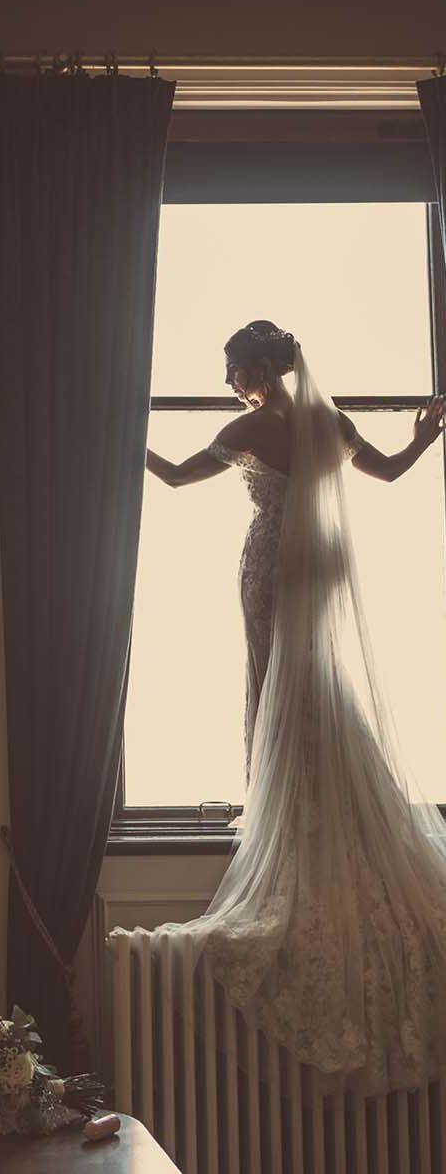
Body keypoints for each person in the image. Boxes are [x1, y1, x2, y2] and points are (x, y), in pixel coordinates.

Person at [143, 319, 446, 1093]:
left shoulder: (246, 425)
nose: (225, 383)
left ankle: (290, 807)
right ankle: (315, 803)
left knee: (278, 688)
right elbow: (387, 473)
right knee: (314, 690)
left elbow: (175, 478)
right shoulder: (328, 421)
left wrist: (119, 438)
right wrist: (424, 436)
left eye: (229, 368)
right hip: (321, 573)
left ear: (256, 368)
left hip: (272, 567)